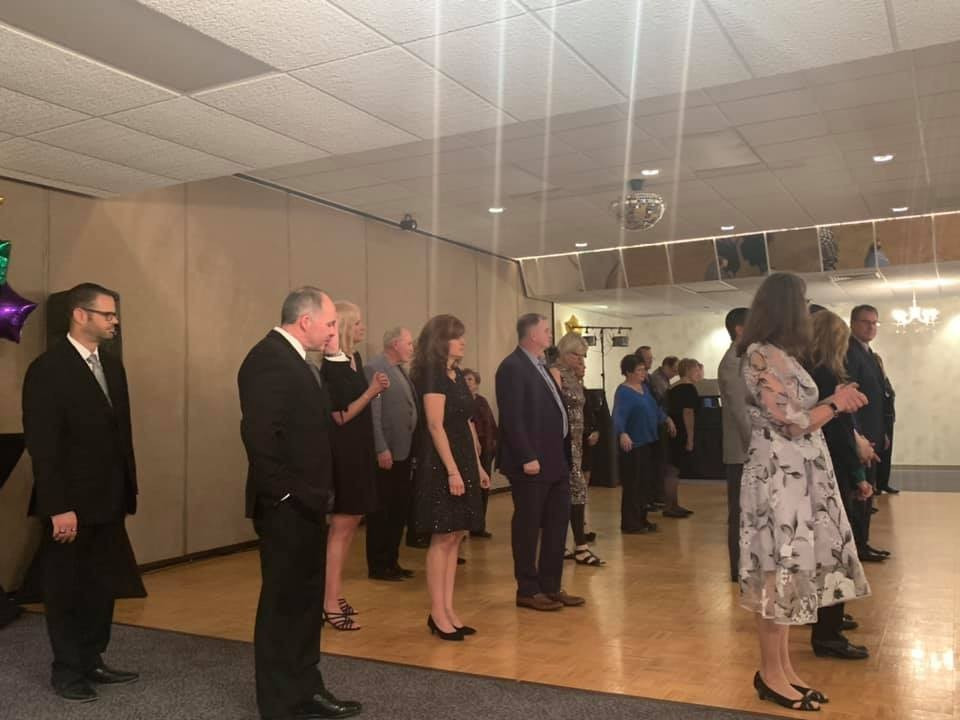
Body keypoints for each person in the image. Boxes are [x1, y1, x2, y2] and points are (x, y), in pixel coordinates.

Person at [738, 272, 870, 712]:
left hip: (797, 473)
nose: (808, 310)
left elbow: (799, 415)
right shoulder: (759, 355)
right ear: (784, 307)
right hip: (778, 477)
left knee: (791, 572)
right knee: (777, 573)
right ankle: (770, 674)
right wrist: (834, 403)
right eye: (802, 301)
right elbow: (791, 422)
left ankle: (782, 669)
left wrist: (834, 399)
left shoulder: (782, 355)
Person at [238, 286, 361, 720]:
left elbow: (345, 400)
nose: (333, 331)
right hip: (286, 506)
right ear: (305, 321)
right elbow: (259, 436)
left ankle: (306, 689)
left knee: (306, 604)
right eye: (330, 324)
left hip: (308, 503)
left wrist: (335, 353)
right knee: (283, 605)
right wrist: (286, 494)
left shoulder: (300, 361)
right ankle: (279, 702)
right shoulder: (267, 360)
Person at [22, 283, 142, 703]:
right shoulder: (48, 369)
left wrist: (128, 489)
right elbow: (44, 445)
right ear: (80, 315)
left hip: (110, 498)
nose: (115, 321)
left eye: (115, 314)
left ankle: (93, 658)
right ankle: (68, 670)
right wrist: (58, 507)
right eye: (107, 314)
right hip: (70, 505)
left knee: (101, 586)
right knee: (67, 589)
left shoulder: (113, 366)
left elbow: (120, 435)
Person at [496, 314, 583, 612]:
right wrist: (526, 456)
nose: (550, 335)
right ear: (532, 335)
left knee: (557, 525)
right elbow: (512, 417)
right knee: (528, 526)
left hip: (555, 459)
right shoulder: (512, 367)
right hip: (532, 462)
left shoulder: (542, 366)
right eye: (546, 330)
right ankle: (528, 589)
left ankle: (551, 586)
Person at [410, 315, 490, 640]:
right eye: (457, 337)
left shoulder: (455, 375)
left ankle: (448, 609)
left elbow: (466, 422)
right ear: (441, 341)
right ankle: (437, 612)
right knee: (442, 537)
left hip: (463, 460)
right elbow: (435, 425)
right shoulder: (432, 374)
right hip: (441, 462)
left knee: (456, 536)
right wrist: (453, 469)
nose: (463, 342)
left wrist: (478, 466)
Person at [806, 310, 874, 660]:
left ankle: (827, 617)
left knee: (825, 549)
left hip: (820, 469)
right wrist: (858, 474)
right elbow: (838, 431)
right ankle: (827, 633)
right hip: (830, 470)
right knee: (834, 551)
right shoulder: (828, 376)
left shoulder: (809, 374)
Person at [321, 302, 389, 629]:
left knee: (351, 526)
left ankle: (335, 593)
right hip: (343, 452)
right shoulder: (330, 367)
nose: (363, 328)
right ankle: (328, 601)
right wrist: (372, 391)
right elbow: (340, 415)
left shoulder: (354, 360)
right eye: (358, 323)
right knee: (341, 526)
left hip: (360, 449)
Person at [365, 327, 418, 582]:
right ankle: (379, 565)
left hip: (403, 450)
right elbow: (373, 413)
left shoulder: (399, 369)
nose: (412, 348)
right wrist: (380, 447)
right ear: (395, 344)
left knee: (398, 509)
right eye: (409, 343)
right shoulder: (375, 367)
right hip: (387, 451)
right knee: (382, 511)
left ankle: (392, 561)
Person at [549, 333, 603, 565]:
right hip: (561, 445)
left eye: (583, 356)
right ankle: (572, 545)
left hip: (577, 444)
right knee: (567, 493)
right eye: (577, 355)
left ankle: (578, 544)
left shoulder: (574, 378)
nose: (581, 360)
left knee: (577, 491)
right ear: (564, 353)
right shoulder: (555, 373)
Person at [845, 305, 892, 558]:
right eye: (866, 322)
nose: (871, 327)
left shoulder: (869, 354)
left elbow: (879, 398)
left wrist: (883, 431)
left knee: (867, 490)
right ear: (853, 324)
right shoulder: (850, 353)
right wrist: (857, 435)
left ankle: (863, 543)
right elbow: (850, 398)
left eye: (875, 322)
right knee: (860, 491)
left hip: (873, 432)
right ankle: (857, 546)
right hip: (860, 435)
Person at [614, 355, 676, 535]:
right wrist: (622, 433)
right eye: (639, 370)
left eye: (644, 369)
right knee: (633, 485)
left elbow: (654, 409)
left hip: (648, 442)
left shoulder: (644, 388)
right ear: (628, 372)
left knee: (644, 484)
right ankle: (630, 523)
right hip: (633, 444)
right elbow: (618, 415)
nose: (643, 373)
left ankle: (642, 519)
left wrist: (667, 419)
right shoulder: (624, 392)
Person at [717, 308, 750, 583]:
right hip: (743, 451)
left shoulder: (747, 358)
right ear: (739, 329)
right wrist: (757, 448)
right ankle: (739, 567)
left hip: (749, 450)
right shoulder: (732, 362)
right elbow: (741, 412)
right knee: (740, 512)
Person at [664, 358, 702, 517]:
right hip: (681, 432)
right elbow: (688, 413)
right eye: (697, 370)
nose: (699, 373)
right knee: (673, 470)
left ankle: (673, 504)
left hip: (671, 432)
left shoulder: (673, 387)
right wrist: (690, 438)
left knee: (672, 469)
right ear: (688, 370)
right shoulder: (688, 388)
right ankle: (670, 506)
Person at [463, 368, 497, 539]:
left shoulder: (482, 401)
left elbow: (491, 424)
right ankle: (463, 527)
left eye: (470, 379)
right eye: (465, 379)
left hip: (486, 449)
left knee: (483, 487)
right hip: (468, 448)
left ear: (476, 383)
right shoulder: (460, 401)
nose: (467, 382)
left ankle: (478, 526)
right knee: (469, 488)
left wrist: (493, 445)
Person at [874, 352, 898, 494]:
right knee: (879, 449)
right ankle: (875, 484)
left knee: (887, 452)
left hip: (889, 419)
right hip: (879, 419)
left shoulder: (885, 380)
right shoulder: (876, 382)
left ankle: (883, 483)